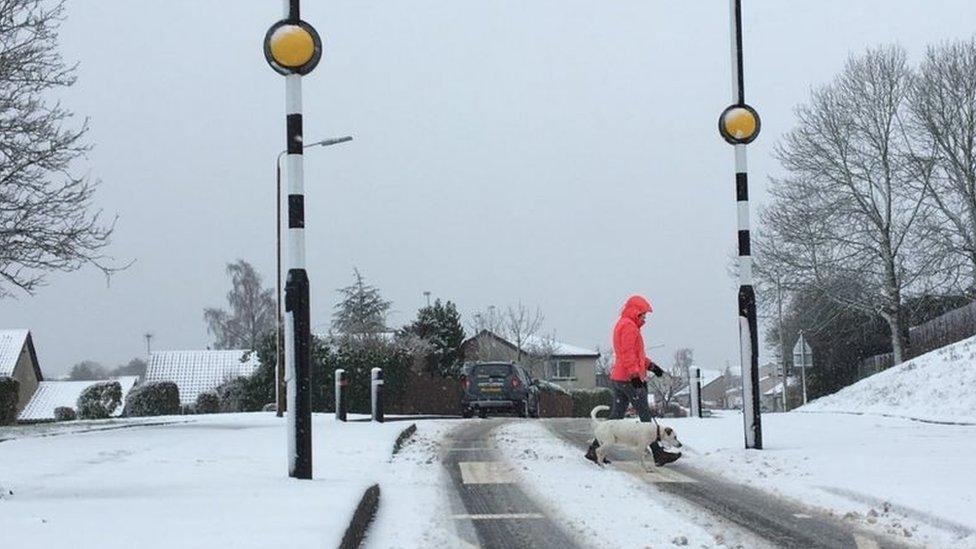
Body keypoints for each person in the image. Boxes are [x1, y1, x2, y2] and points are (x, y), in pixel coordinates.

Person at [585, 294, 682, 466]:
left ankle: (594, 450)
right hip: (629, 379)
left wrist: (652, 367)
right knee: (646, 417)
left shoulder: (625, 325)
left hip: (620, 378)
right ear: (635, 312)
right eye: (643, 314)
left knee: (615, 417)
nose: (645, 318)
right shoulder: (629, 327)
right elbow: (627, 354)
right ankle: (658, 454)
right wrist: (635, 376)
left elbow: (637, 356)